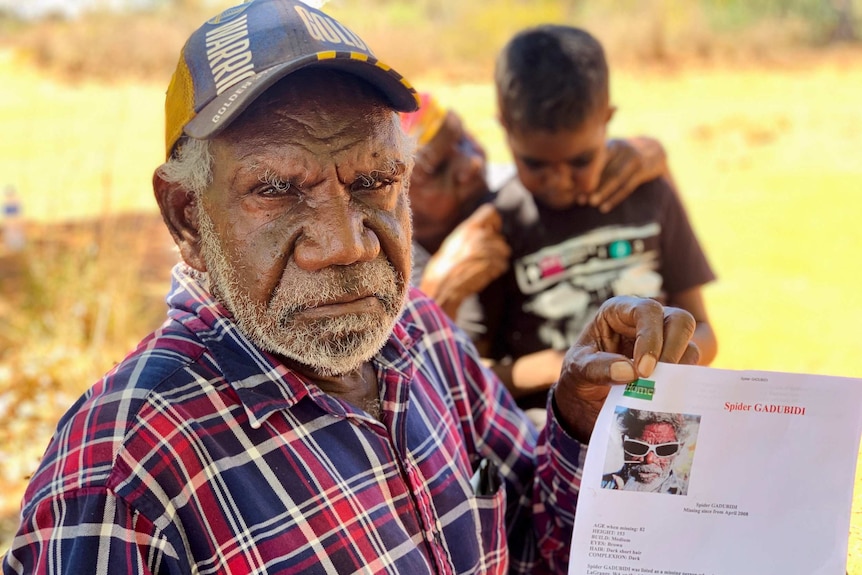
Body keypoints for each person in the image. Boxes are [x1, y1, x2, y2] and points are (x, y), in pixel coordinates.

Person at [1, 2, 701, 573]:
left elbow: (538, 545)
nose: (347, 243)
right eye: (276, 189)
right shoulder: (125, 475)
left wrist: (578, 421)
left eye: (373, 181)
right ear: (187, 216)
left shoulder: (420, 334)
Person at [476, 24, 719, 425]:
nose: (559, 180)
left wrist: (662, 359)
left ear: (606, 120)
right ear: (505, 128)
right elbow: (474, 371)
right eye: (535, 163)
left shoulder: (650, 194)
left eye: (580, 161)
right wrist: (577, 366)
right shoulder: (498, 224)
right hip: (551, 432)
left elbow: (705, 331)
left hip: (652, 414)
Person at [401, 92, 674, 333]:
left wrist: (647, 153)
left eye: (463, 139)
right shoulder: (389, 271)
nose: (471, 162)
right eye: (438, 169)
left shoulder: (514, 191)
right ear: (394, 196)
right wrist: (436, 298)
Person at [601, 409, 691, 494]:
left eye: (664, 449)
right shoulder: (600, 485)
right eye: (639, 446)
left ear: (679, 448)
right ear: (624, 442)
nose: (649, 459)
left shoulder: (687, 493)